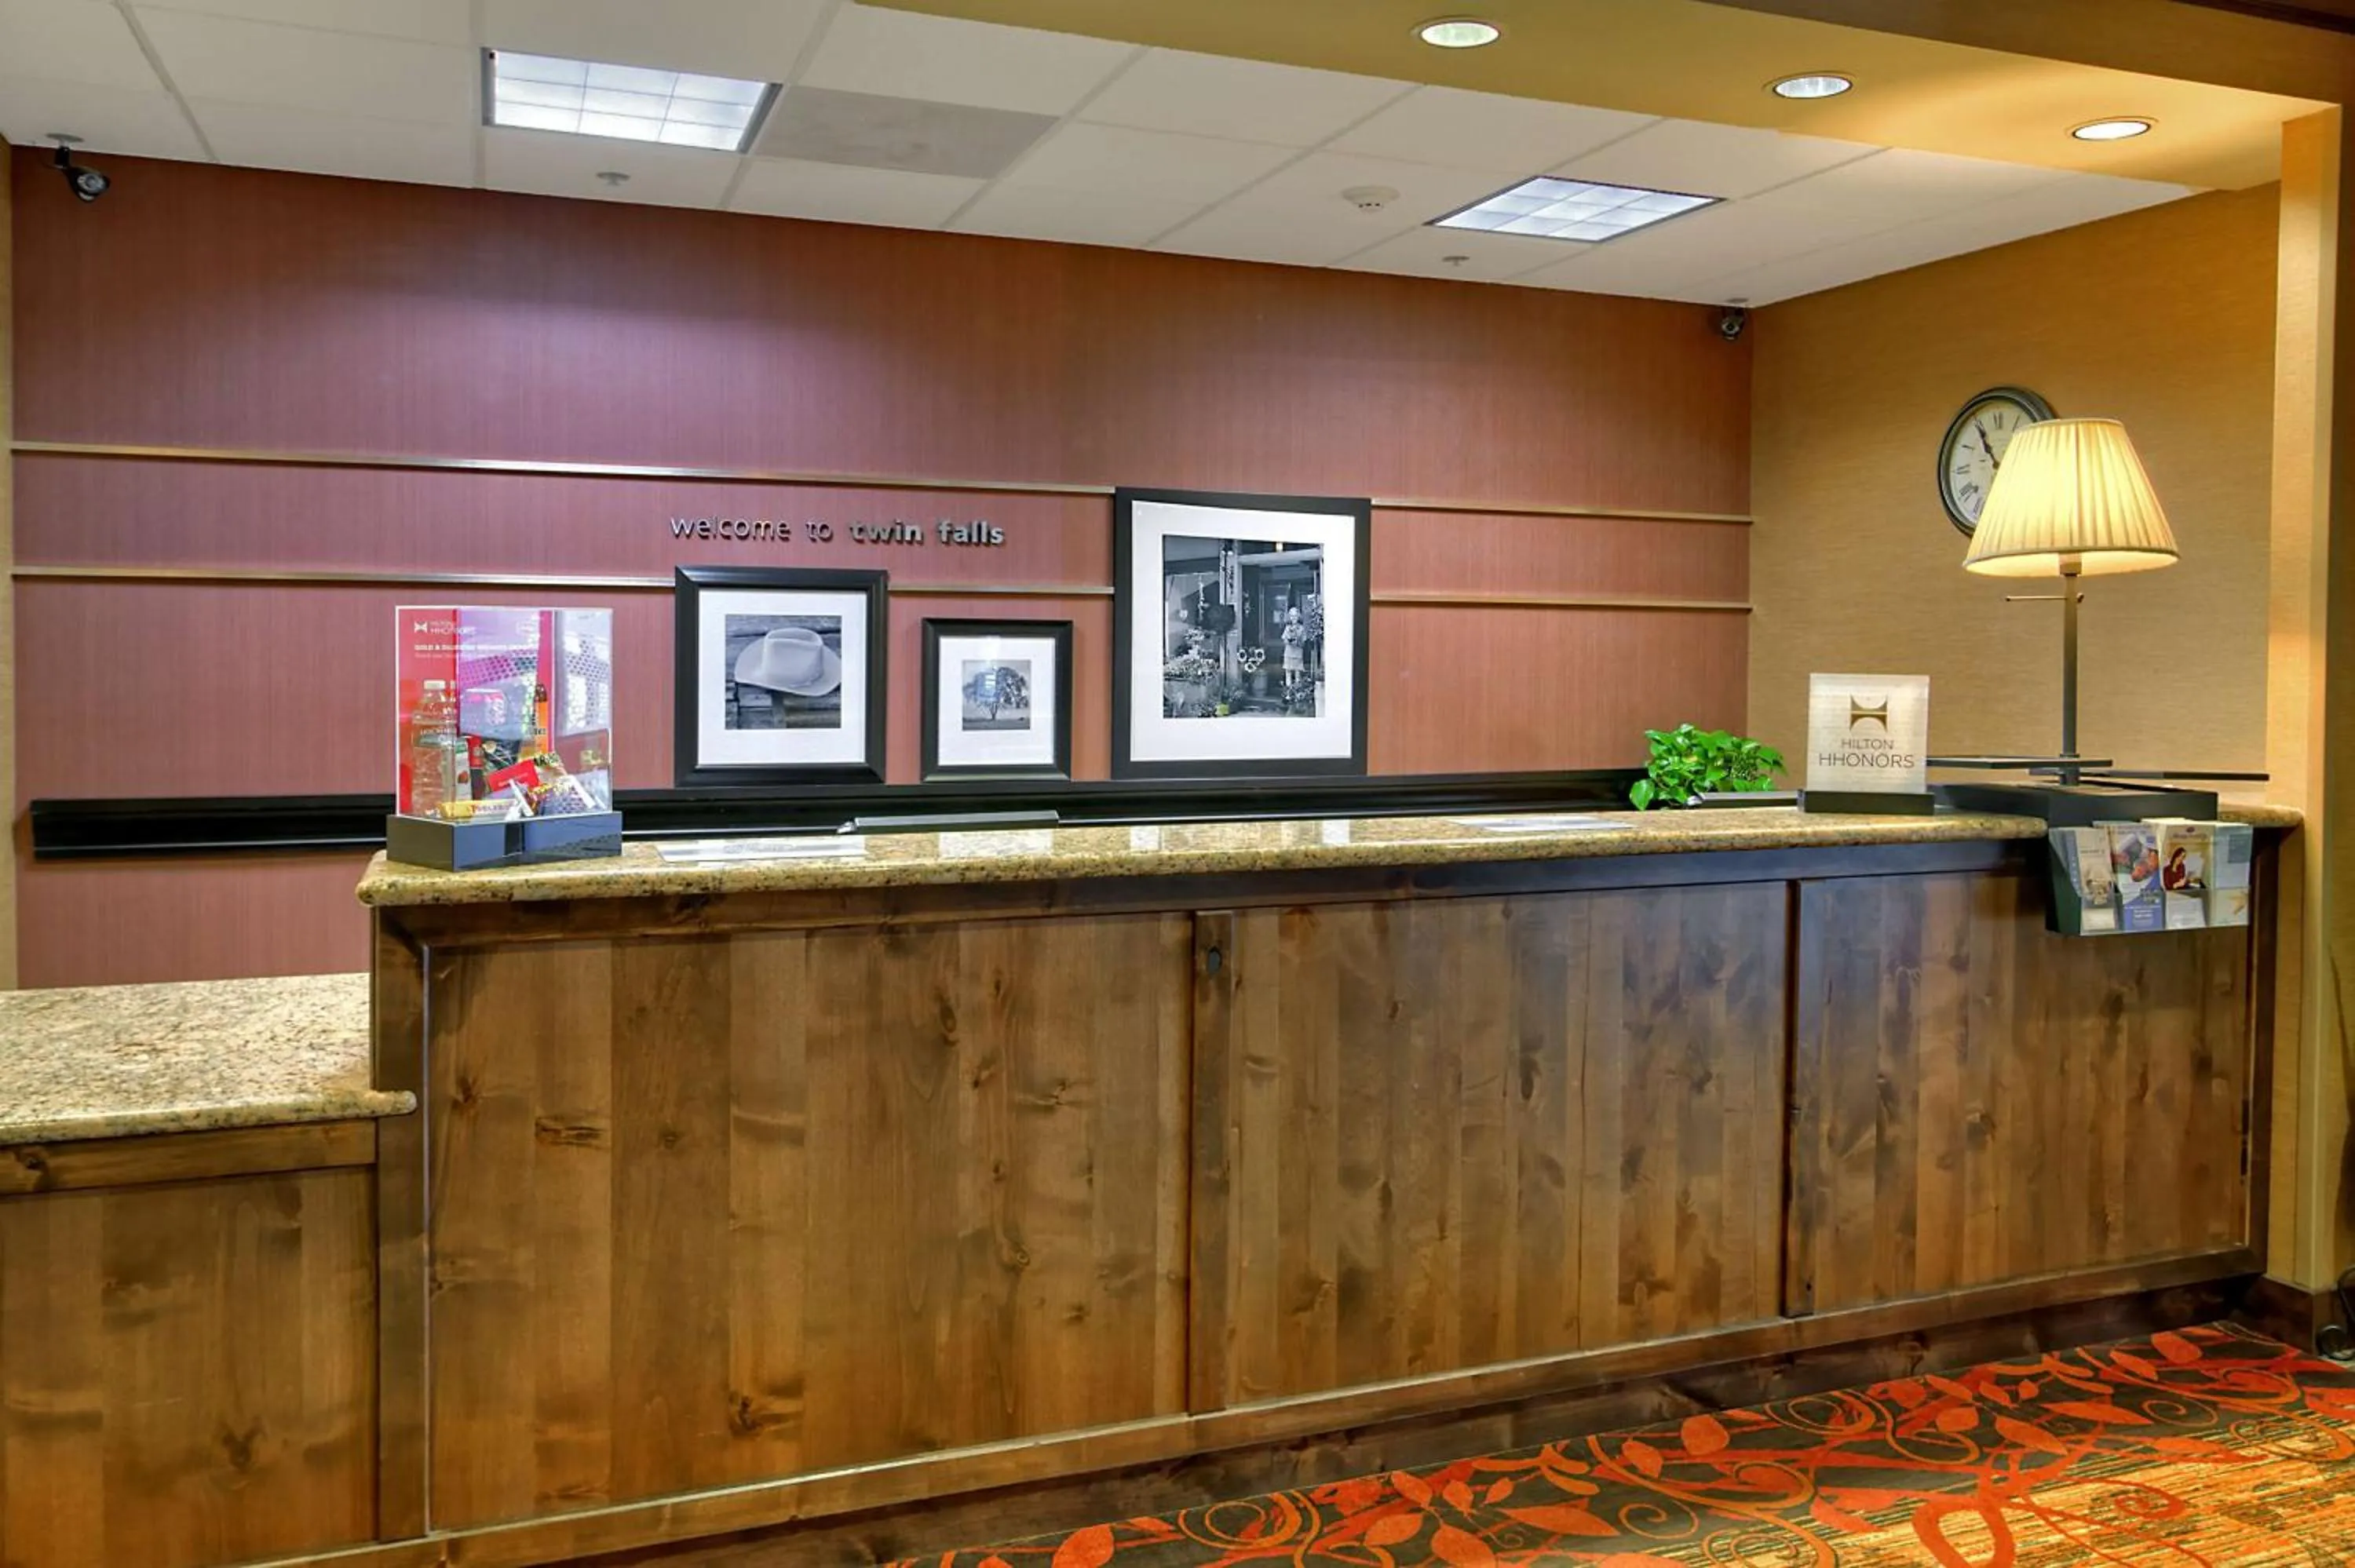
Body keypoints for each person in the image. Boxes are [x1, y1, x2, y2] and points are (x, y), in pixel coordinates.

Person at [1280, 605, 1307, 712]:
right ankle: (1288, 694)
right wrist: (1288, 640)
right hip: (1288, 652)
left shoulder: (1302, 628)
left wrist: (1297, 641)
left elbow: (1304, 642)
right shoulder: (1287, 627)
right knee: (1288, 672)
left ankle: (1297, 695)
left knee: (1297, 673)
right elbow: (1284, 639)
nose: (1293, 618)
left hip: (1297, 653)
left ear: (1298, 616)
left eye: (1295, 615)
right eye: (1291, 616)